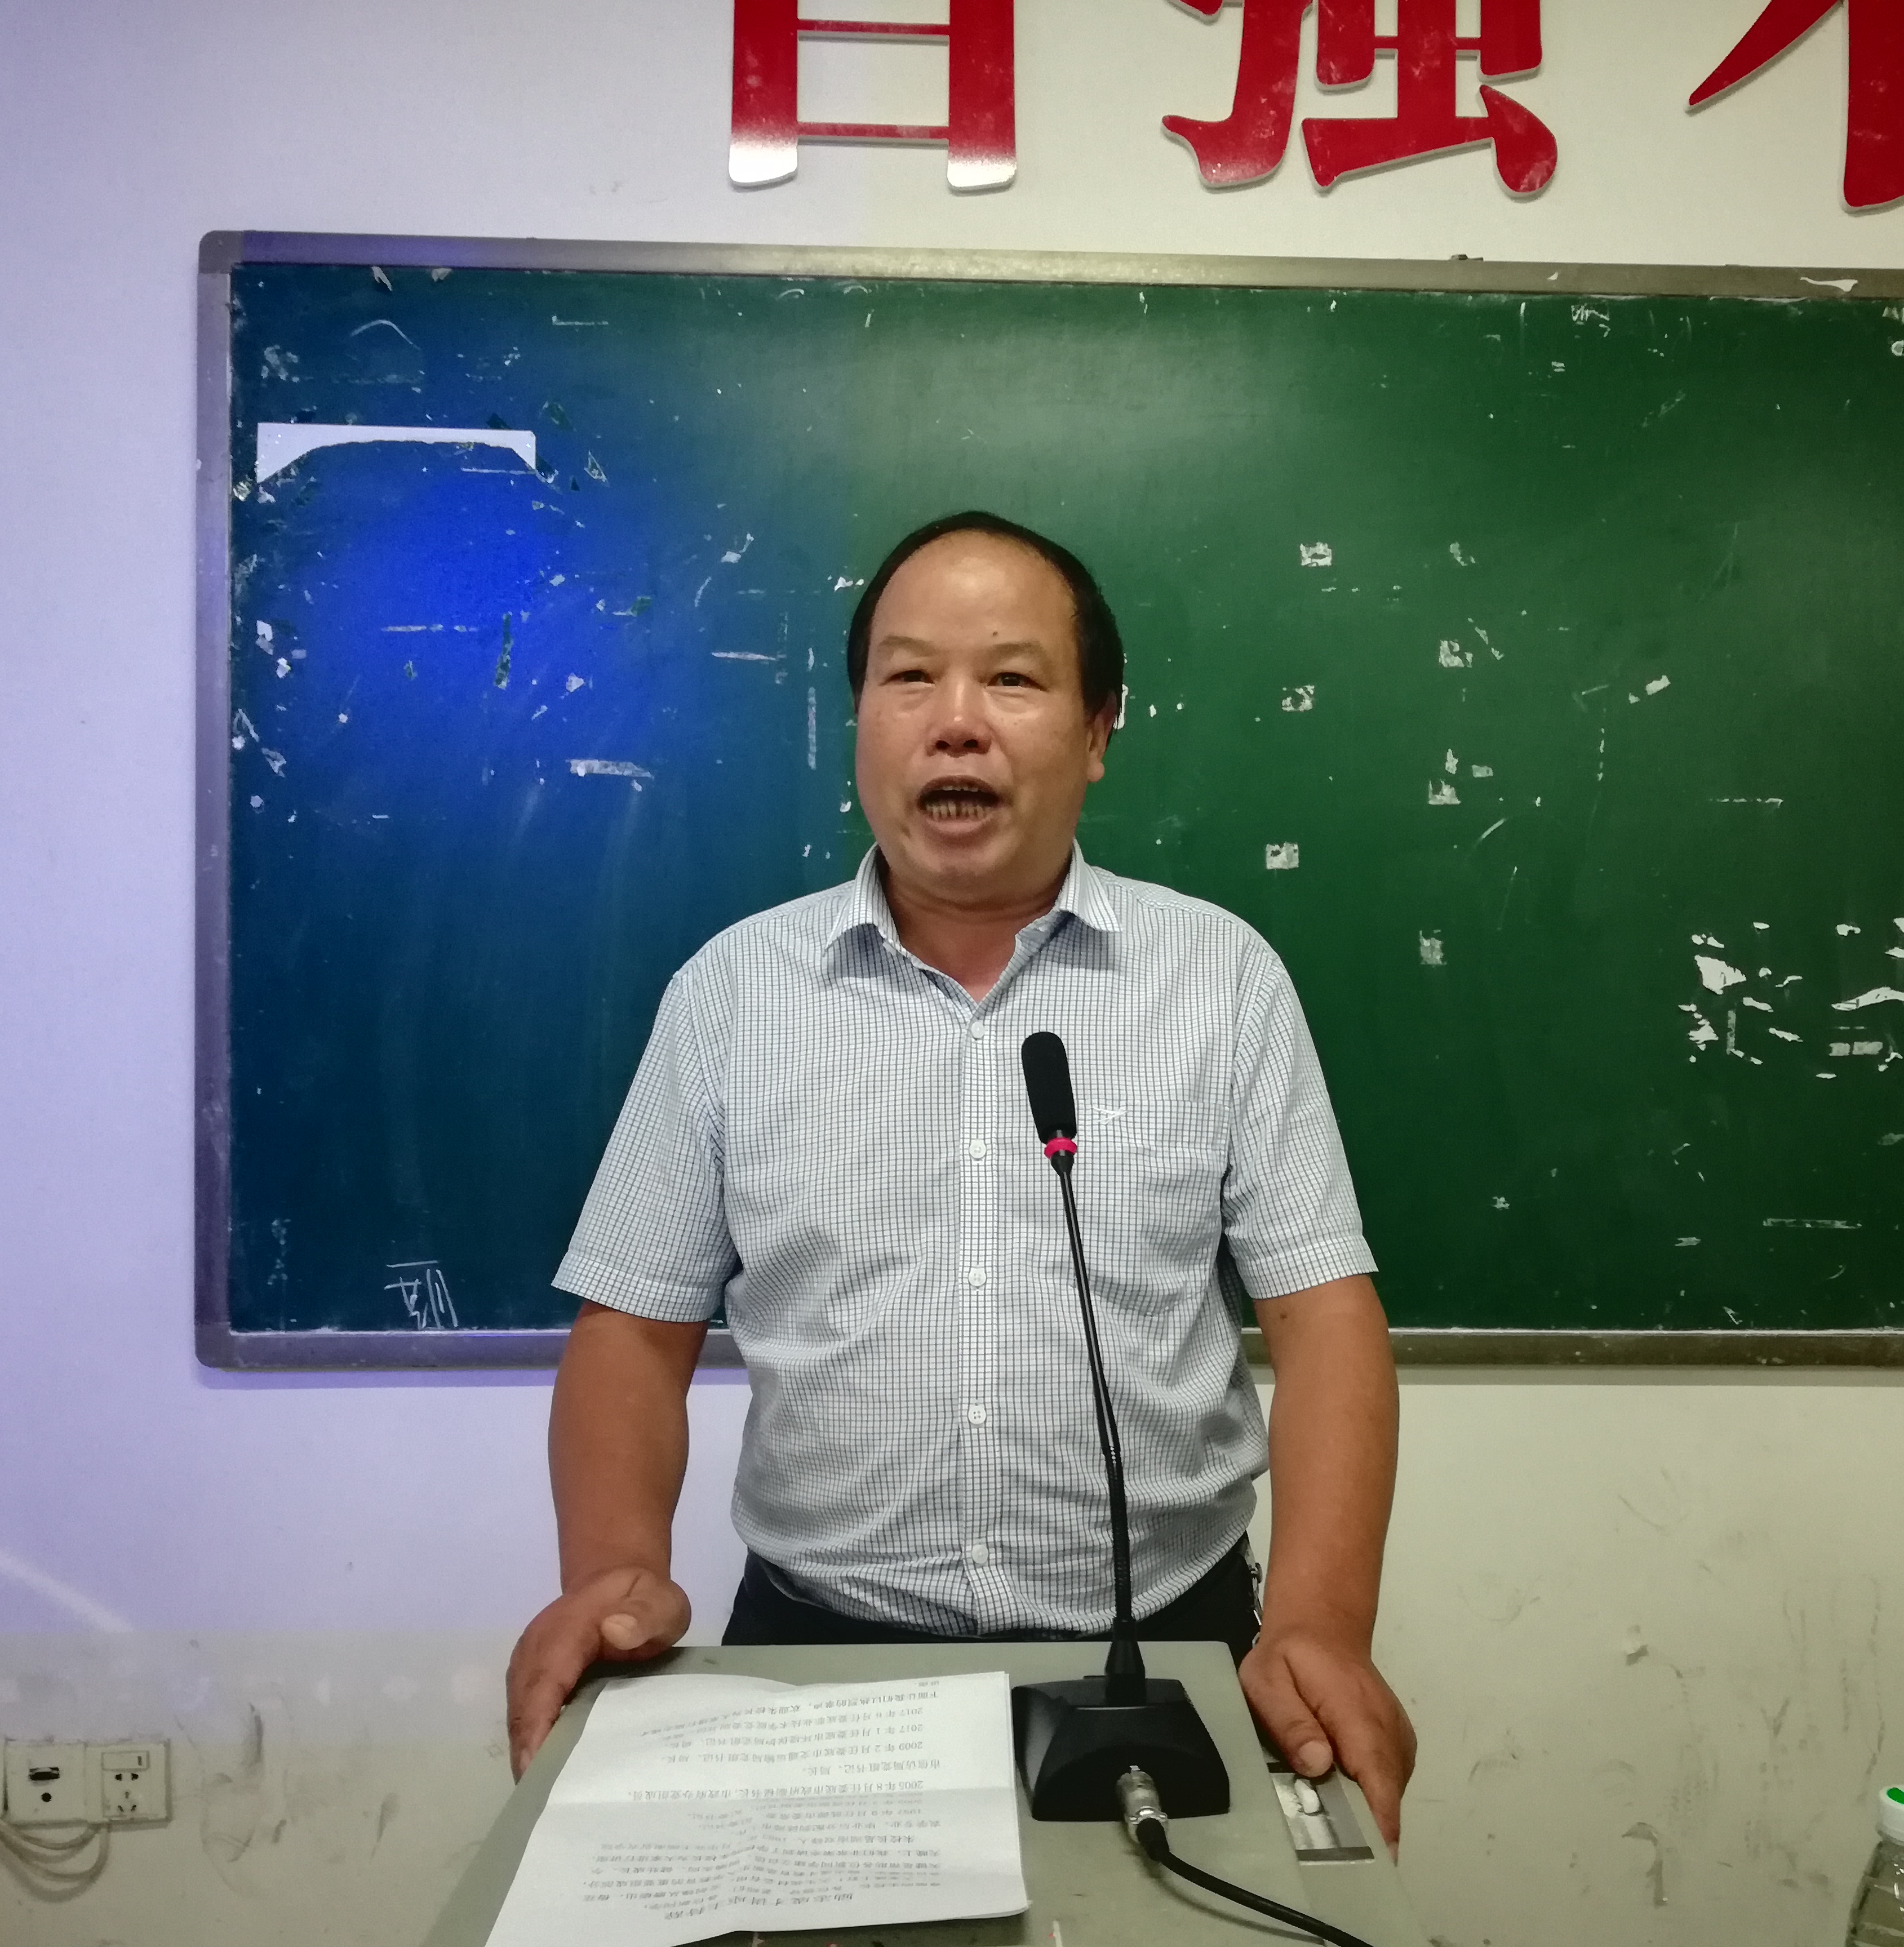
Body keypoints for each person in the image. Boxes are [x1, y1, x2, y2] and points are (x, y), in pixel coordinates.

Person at [504, 510, 1418, 1843]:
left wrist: (1320, 1623)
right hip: (817, 1654)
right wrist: (613, 1570)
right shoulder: (734, 994)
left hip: (1168, 1650)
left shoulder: (1220, 980)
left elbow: (1323, 1317)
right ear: (860, 720)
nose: (956, 723)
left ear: (1098, 730)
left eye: (1013, 677)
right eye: (910, 676)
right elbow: (635, 1329)